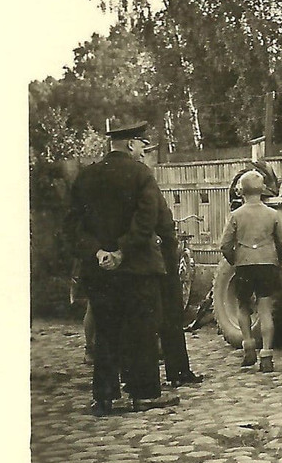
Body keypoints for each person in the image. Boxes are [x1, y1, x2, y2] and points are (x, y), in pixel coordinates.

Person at [65, 121, 175, 415]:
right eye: (142, 145)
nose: (143, 152)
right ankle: (144, 394)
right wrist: (122, 252)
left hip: (99, 270)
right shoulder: (141, 174)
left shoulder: (85, 177)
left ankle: (103, 398)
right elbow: (147, 220)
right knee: (142, 330)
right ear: (130, 144)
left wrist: (98, 252)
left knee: (105, 331)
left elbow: (73, 226)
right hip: (137, 268)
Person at [220, 170, 282, 373]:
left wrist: (235, 261)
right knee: (265, 309)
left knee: (243, 306)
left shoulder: (236, 215)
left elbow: (225, 245)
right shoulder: (273, 214)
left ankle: (248, 345)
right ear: (263, 190)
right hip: (267, 264)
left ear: (241, 191)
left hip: (244, 264)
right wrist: (277, 260)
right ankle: (266, 354)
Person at [155, 193, 204, 386]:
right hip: (160, 264)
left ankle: (133, 377)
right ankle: (177, 371)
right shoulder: (147, 191)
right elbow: (166, 228)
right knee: (171, 318)